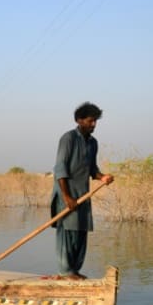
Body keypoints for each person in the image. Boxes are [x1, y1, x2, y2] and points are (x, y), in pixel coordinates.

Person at [50, 102, 114, 280]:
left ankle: (74, 270)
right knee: (68, 232)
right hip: (67, 194)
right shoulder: (68, 139)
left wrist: (103, 177)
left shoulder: (93, 143)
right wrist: (67, 197)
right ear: (79, 120)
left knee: (81, 231)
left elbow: (92, 169)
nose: (93, 125)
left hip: (83, 194)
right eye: (90, 121)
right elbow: (60, 169)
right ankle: (65, 271)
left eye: (95, 121)